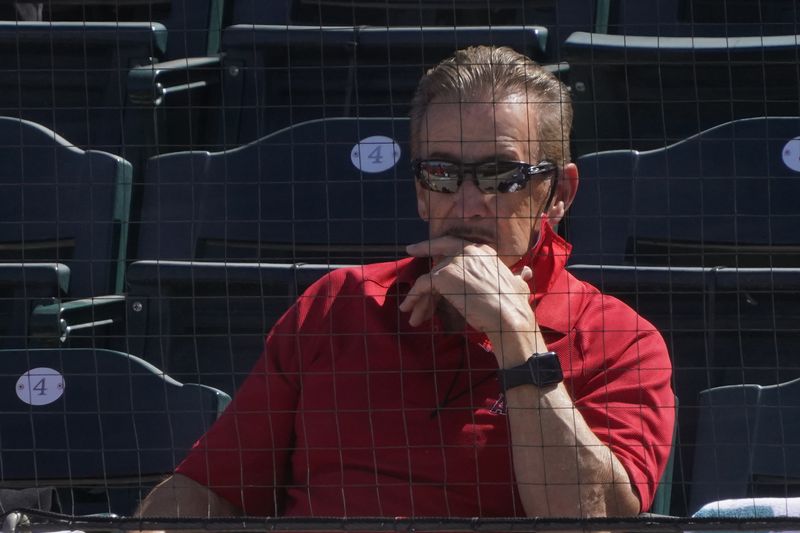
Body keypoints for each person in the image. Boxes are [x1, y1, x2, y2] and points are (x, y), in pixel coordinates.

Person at [136, 45, 674, 520]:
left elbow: (590, 519)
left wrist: (518, 337)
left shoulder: (620, 340)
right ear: (420, 193)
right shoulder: (336, 304)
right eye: (441, 174)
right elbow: (209, 489)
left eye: (500, 176)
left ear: (559, 193)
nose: (467, 203)